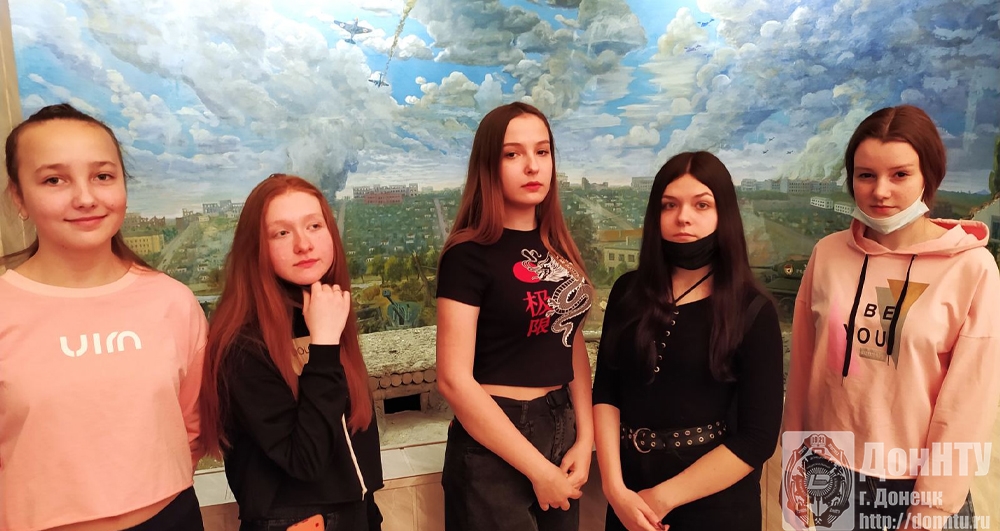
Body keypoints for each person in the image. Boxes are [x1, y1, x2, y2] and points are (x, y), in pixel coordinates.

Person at [782, 105, 1000, 531]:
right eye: (866, 175)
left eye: (900, 174)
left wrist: (930, 510)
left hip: (916, 487)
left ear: (928, 176)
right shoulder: (827, 255)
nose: (880, 191)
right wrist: (795, 466)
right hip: (829, 473)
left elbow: (967, 405)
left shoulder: (971, 269)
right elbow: (804, 368)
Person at [0, 103, 206, 531]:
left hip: (171, 518)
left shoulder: (173, 301)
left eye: (103, 176)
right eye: (54, 180)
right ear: (18, 197)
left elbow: (191, 425)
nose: (85, 198)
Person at [593, 151, 784, 531]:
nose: (683, 217)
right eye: (670, 205)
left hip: (714, 506)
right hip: (628, 498)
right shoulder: (627, 291)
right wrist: (614, 489)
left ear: (724, 214)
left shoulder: (752, 310)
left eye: (701, 204)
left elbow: (757, 438)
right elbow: (607, 391)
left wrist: (661, 499)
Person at [436, 102, 595, 531]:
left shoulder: (557, 247)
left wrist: (585, 437)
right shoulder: (467, 255)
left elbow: (570, 339)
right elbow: (453, 379)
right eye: (513, 154)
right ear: (489, 164)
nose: (532, 166)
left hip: (561, 427)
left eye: (542, 152)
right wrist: (539, 470)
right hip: (495, 441)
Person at [200, 174, 382, 531]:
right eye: (282, 233)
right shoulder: (242, 340)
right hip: (297, 519)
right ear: (256, 247)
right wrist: (324, 346)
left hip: (353, 508)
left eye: (314, 225)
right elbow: (305, 460)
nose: (304, 244)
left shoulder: (320, 306)